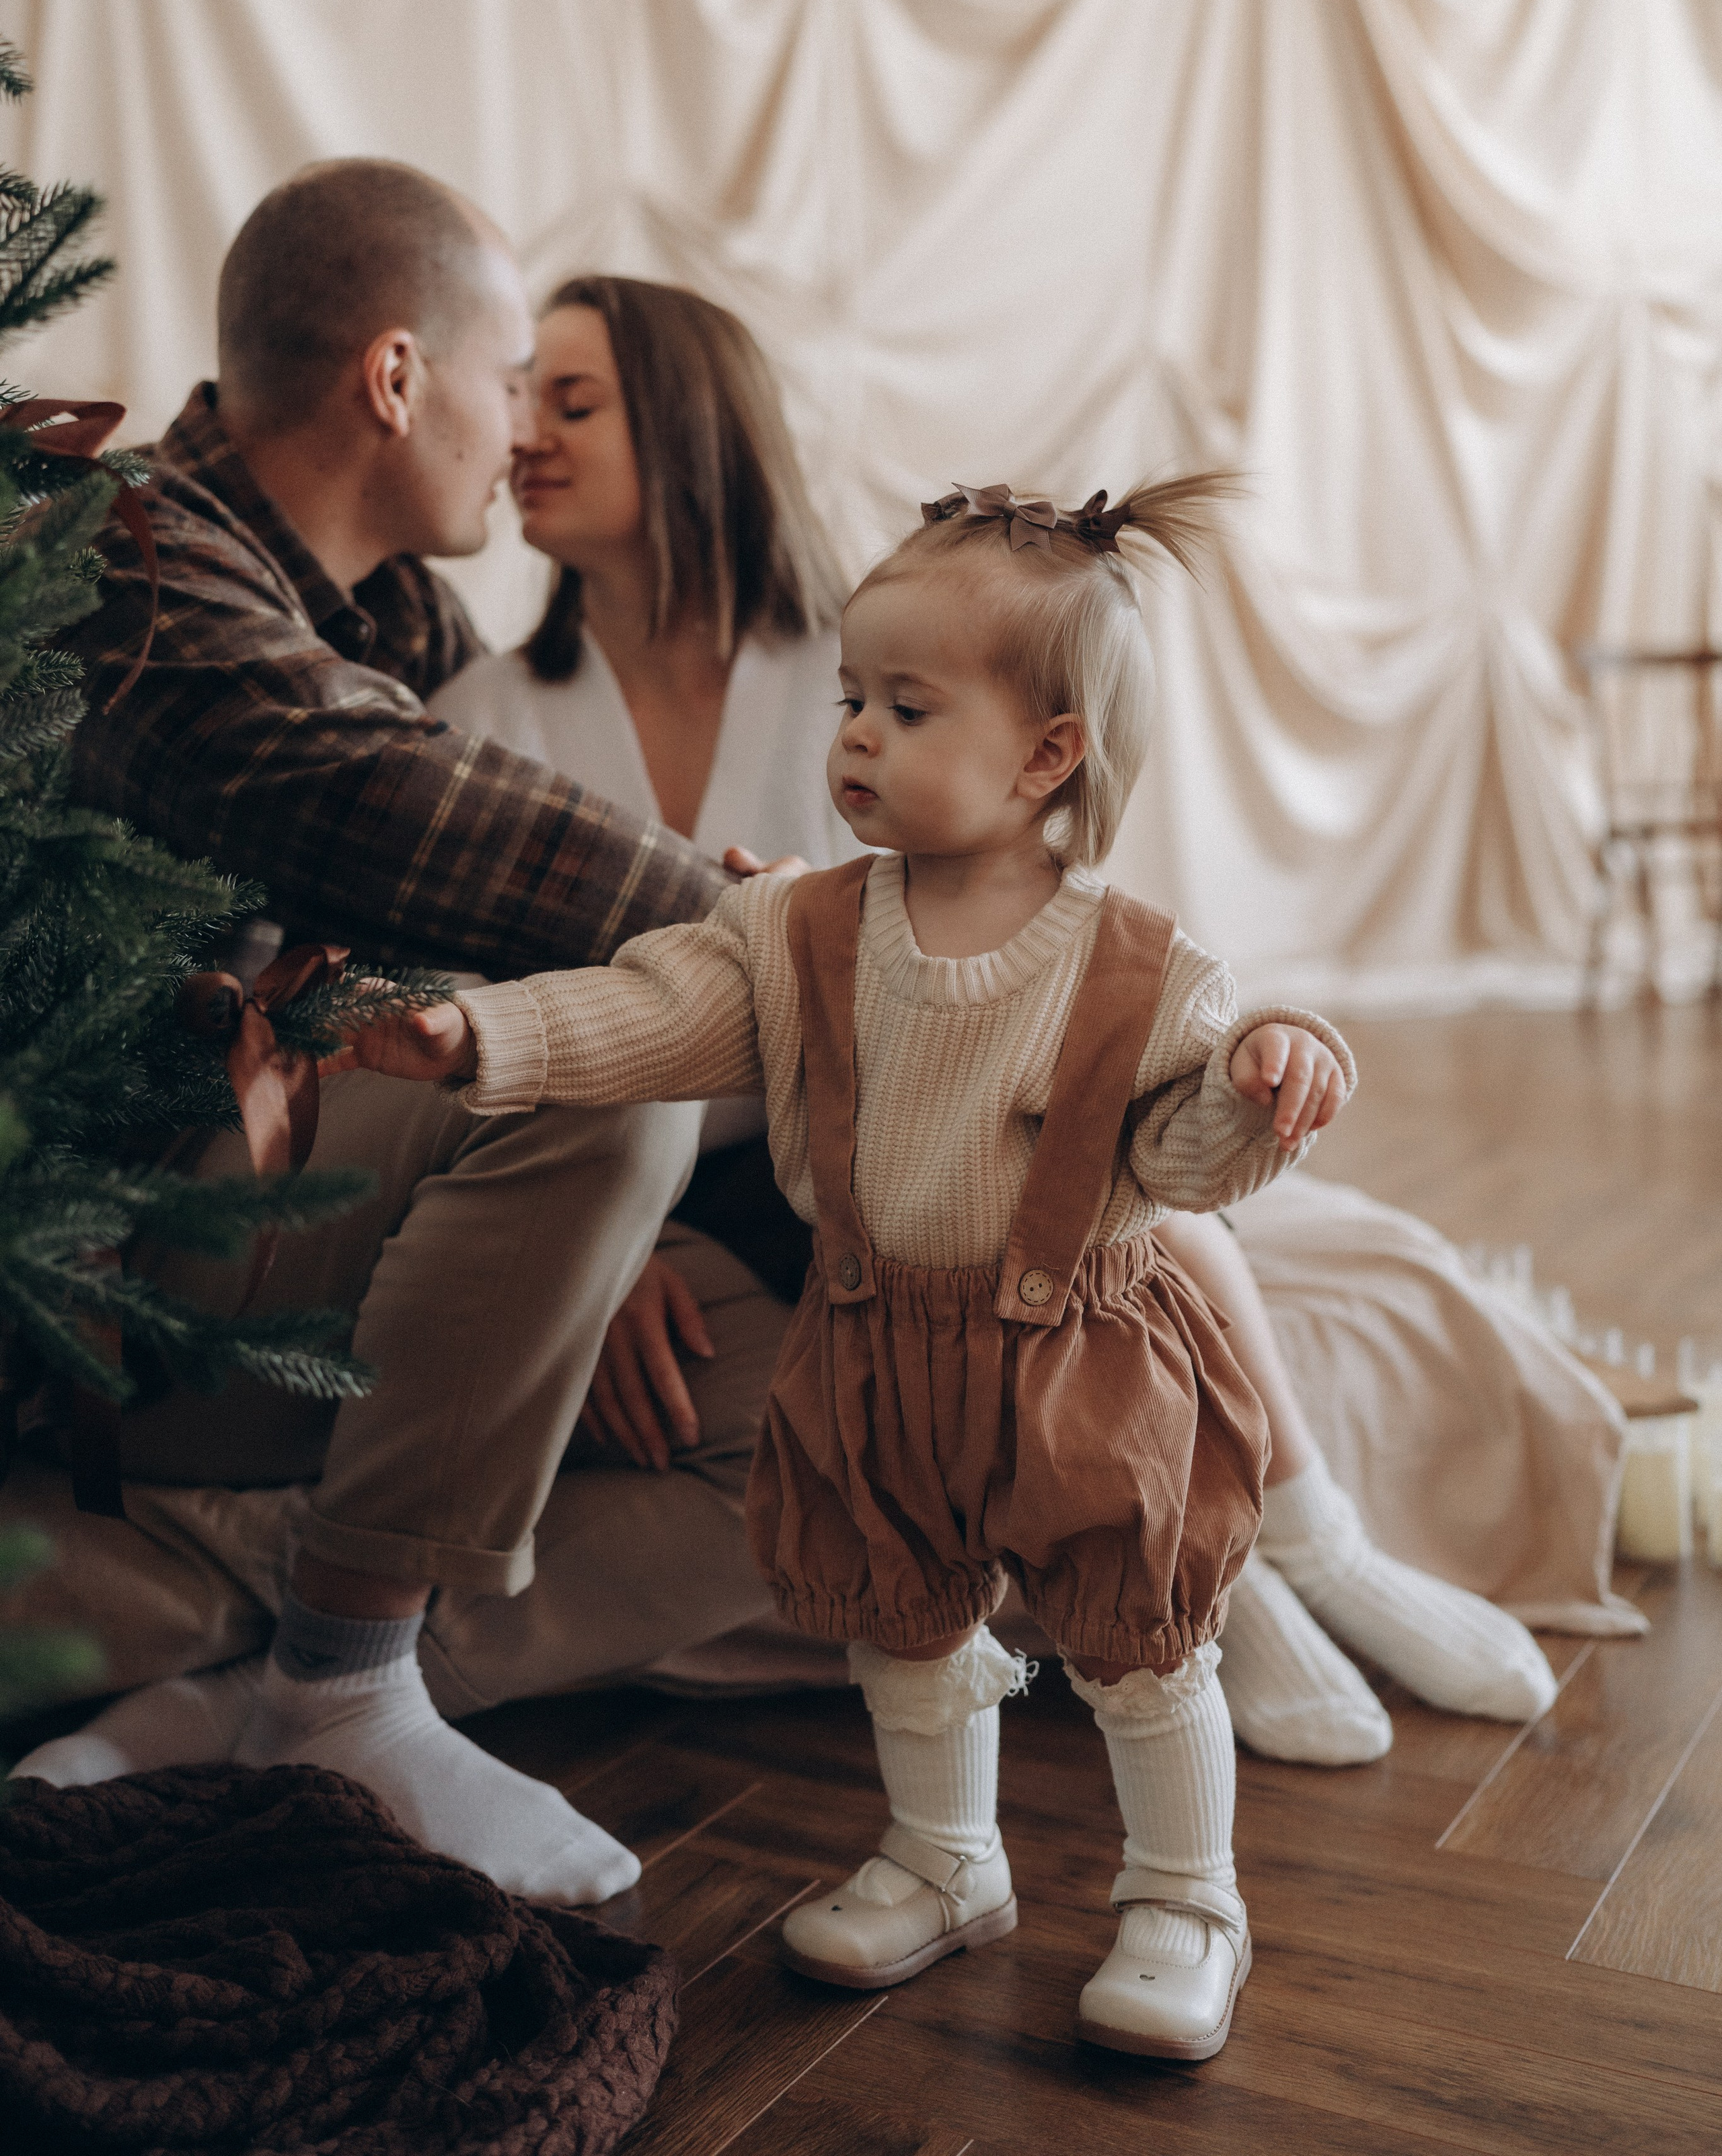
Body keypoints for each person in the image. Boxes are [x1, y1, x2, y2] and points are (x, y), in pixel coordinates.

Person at [430, 278, 1561, 1763]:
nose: (521, 435)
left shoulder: (864, 668)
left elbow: (1028, 917)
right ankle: (1226, 1589)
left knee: (1112, 1206)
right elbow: (583, 1014)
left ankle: (1291, 1553)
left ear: (694, 429)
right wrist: (597, 1237)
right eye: (516, 399)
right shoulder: (477, 713)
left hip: (930, 1100)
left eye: (568, 402)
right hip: (699, 1160)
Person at [324, 471, 1356, 2063]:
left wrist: (1261, 1080)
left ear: (1045, 755)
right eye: (852, 699)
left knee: (1137, 1645)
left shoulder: (1142, 967)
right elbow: (650, 1009)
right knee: (904, 1618)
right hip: (872, 1342)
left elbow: (1173, 1162)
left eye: (908, 708)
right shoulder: (797, 929)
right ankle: (947, 1858)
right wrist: (485, 1032)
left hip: (1073, 1354)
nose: (857, 736)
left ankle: (1183, 1898)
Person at [5, 163, 811, 1905]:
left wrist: (601, 1265)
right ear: (394, 380)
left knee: (803, 1409)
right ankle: (346, 1678)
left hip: (284, 1223)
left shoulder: (396, 613)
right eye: (512, 376)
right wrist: (806, 942)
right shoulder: (132, 569)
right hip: (115, 1261)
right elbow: (417, 819)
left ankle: (248, 1660)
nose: (518, 429)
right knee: (582, 1095)